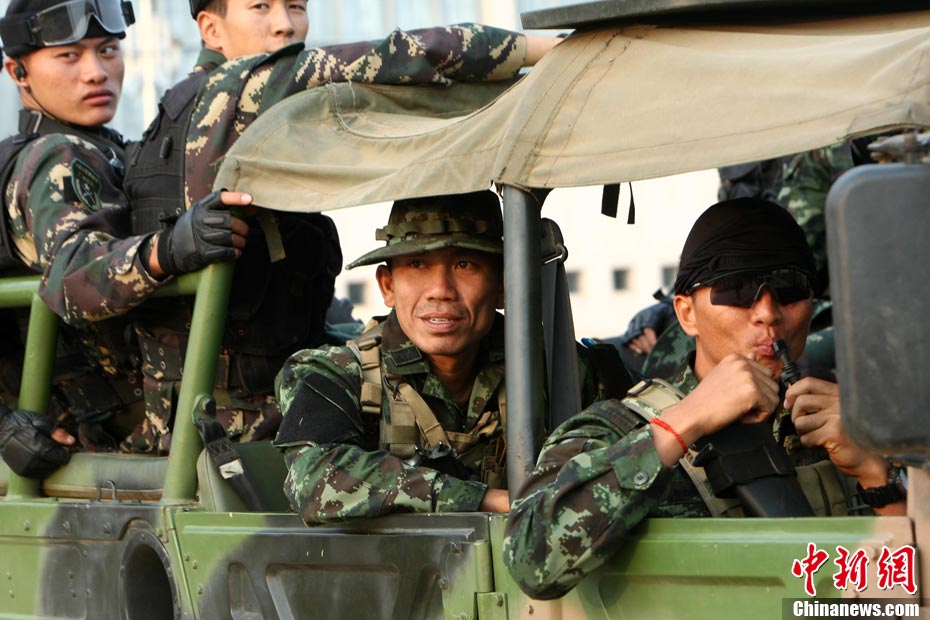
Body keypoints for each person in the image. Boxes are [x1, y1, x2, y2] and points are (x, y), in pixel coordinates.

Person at [120, 13, 559, 453]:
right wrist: (553, 50)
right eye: (260, 6)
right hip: (240, 430)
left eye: (296, 6)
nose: (284, 25)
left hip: (178, 422)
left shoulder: (164, 126)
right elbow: (410, 54)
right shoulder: (250, 89)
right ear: (210, 29)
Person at [502, 197, 906, 600]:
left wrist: (878, 481)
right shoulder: (617, 429)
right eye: (738, 290)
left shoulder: (855, 425)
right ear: (686, 313)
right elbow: (530, 560)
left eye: (789, 288)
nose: (768, 313)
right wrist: (680, 424)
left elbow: (910, 593)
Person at [0, 0, 255, 474]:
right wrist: (168, 249)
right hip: (114, 430)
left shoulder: (105, 149)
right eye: (69, 56)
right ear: (18, 72)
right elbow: (74, 272)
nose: (96, 72)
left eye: (108, 50)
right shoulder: (57, 157)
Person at [273, 192, 612, 524]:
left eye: (465, 264)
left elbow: (624, 464)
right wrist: (485, 500)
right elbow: (314, 480)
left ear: (503, 286)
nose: (441, 290)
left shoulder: (558, 370)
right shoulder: (335, 374)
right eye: (417, 264)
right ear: (388, 286)